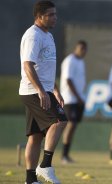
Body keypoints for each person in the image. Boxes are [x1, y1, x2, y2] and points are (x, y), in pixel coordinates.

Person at [19, 1, 67, 184]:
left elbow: (44, 68)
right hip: (33, 91)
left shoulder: (48, 36)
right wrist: (40, 91)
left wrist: (54, 90)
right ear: (40, 16)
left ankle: (30, 179)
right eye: (51, 15)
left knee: (35, 137)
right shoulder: (33, 36)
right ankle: (45, 165)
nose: (55, 18)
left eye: (55, 14)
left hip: (44, 90)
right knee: (59, 120)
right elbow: (27, 65)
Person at [60, 40, 87, 164]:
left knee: (73, 126)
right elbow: (68, 80)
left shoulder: (81, 62)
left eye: (84, 49)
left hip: (78, 99)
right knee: (70, 124)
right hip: (69, 99)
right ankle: (63, 155)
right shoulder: (70, 60)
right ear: (76, 48)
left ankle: (65, 154)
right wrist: (78, 96)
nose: (83, 51)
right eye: (81, 48)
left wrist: (81, 97)